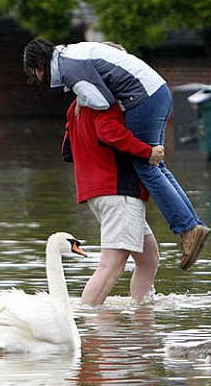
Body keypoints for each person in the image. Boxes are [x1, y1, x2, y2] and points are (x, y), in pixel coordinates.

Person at [24, 39, 210, 270]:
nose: (38, 80)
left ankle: (188, 229)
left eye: (35, 74)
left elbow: (103, 103)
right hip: (156, 91)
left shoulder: (69, 69)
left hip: (143, 98)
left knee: (145, 165)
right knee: (155, 165)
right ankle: (191, 226)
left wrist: (83, 97)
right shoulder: (71, 55)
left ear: (38, 66)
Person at [62, 97, 162, 305]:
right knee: (112, 266)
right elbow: (110, 133)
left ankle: (143, 320)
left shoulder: (76, 106)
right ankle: (88, 325)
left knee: (148, 258)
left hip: (98, 193)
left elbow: (67, 151)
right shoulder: (104, 102)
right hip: (118, 191)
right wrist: (148, 152)